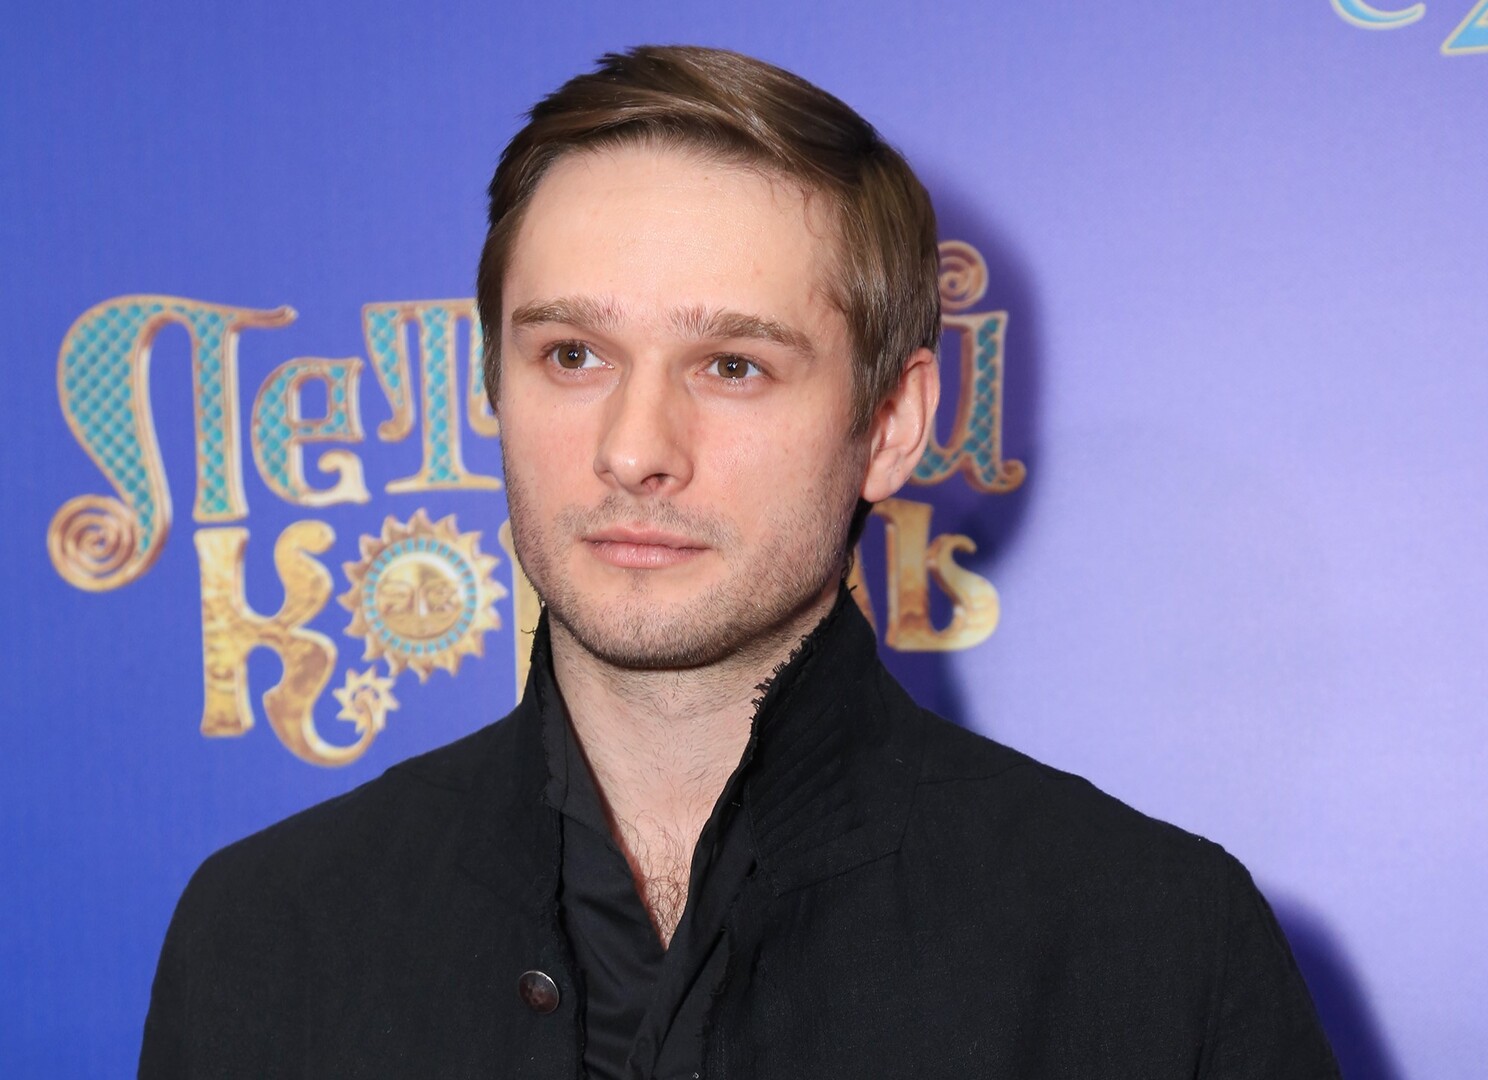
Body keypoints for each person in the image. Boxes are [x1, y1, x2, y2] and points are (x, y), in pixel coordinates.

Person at [140, 45, 1341, 1079]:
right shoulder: (265, 938)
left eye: (732, 366)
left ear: (891, 424)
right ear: (492, 383)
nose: (633, 450)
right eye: (572, 355)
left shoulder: (1155, 947)